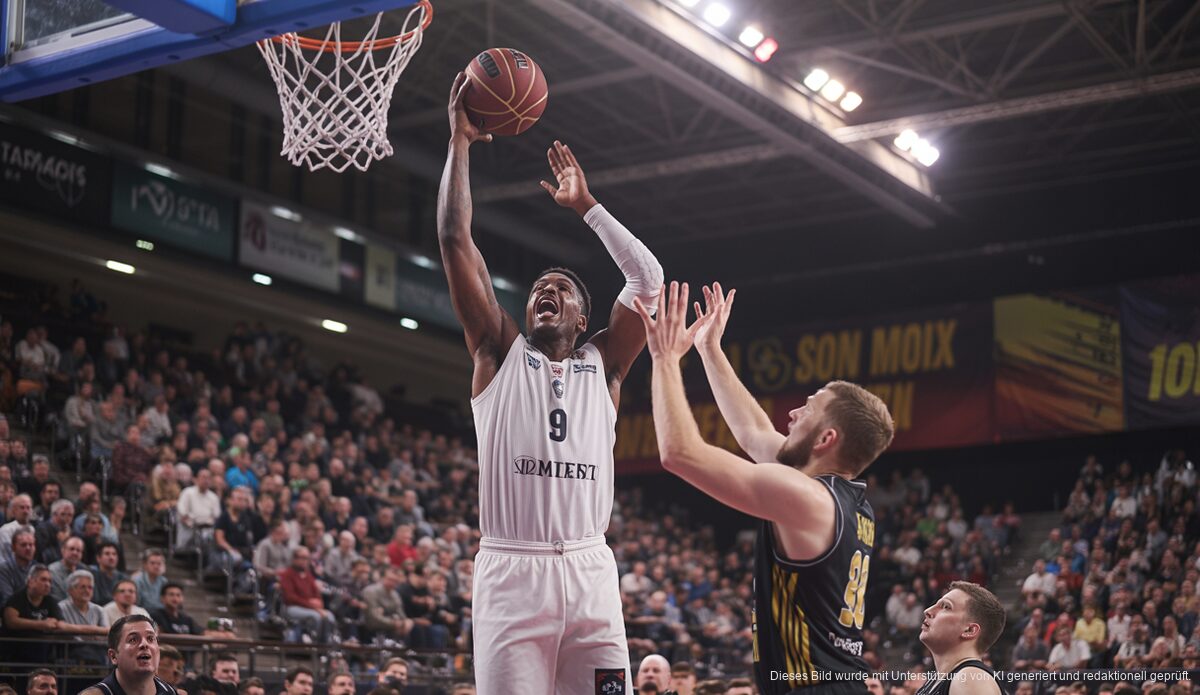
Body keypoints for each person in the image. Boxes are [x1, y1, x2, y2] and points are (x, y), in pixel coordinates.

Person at [438, 71, 663, 694]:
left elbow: (649, 280)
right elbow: (456, 239)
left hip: (592, 571)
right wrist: (459, 142)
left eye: (562, 290)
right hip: (514, 570)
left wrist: (587, 207)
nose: (546, 291)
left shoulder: (605, 367)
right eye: (539, 287)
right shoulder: (497, 352)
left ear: (583, 319)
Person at [632, 282, 894, 694]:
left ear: (826, 440)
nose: (792, 413)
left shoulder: (809, 500)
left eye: (806, 409)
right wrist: (709, 349)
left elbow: (679, 453)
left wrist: (664, 359)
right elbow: (754, 432)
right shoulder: (839, 499)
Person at [914, 582, 1005, 695]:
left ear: (969, 630)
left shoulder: (969, 679)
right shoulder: (934, 681)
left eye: (946, 607)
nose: (927, 611)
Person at [77, 615, 178, 695]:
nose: (144, 644)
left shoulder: (172, 692)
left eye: (150, 639)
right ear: (113, 656)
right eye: (133, 639)